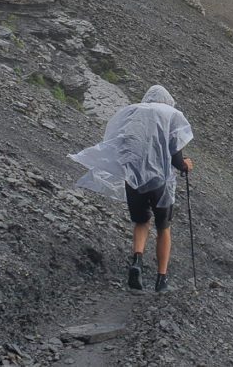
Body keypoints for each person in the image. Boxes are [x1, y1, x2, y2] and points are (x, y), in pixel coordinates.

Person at [68, 85, 194, 292]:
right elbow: (175, 155)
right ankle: (161, 280)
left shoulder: (133, 113)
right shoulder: (171, 114)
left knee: (142, 221)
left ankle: (137, 261)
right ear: (166, 100)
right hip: (161, 182)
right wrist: (185, 165)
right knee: (163, 228)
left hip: (134, 178)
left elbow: (122, 144)